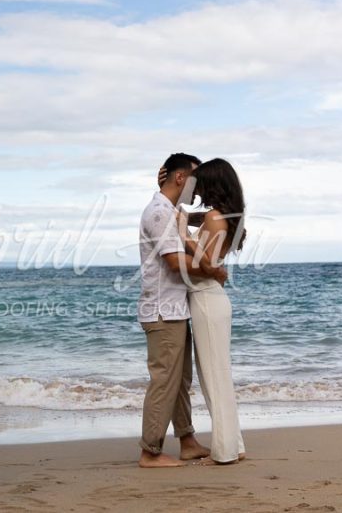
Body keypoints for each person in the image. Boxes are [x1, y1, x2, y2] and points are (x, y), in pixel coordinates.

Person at [137, 152, 228, 468]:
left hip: (175, 309)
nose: (199, 185)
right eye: (195, 177)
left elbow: (191, 221)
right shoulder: (160, 213)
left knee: (180, 380)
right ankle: (150, 452)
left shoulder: (169, 210)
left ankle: (187, 440)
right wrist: (213, 271)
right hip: (163, 311)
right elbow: (175, 263)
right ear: (180, 178)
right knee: (165, 380)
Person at [177, 158, 247, 465]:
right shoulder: (220, 216)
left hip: (206, 299)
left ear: (212, 184)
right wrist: (181, 214)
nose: (196, 188)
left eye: (200, 182)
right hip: (209, 300)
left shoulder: (217, 218)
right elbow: (192, 216)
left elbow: (200, 266)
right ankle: (234, 445)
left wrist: (182, 236)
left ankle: (224, 452)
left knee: (214, 378)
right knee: (218, 376)